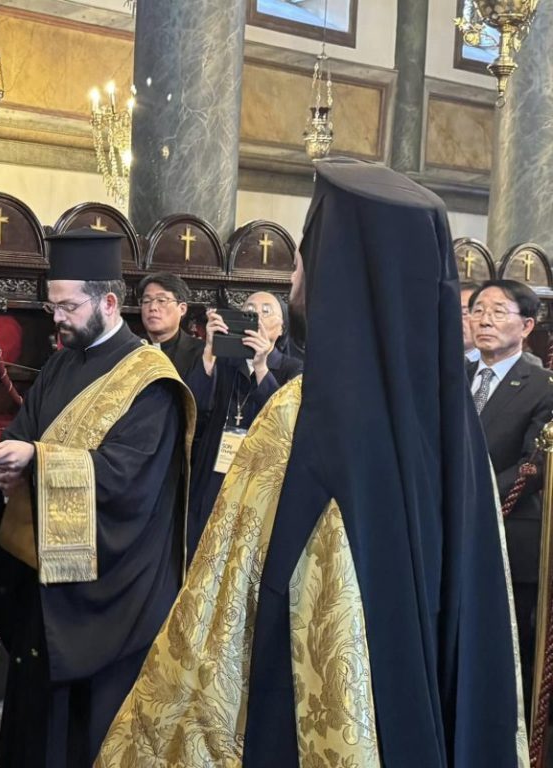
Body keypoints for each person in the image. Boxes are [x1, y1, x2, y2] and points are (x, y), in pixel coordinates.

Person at [99, 159, 527, 768]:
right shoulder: (454, 424)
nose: (294, 277)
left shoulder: (301, 417)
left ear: (337, 271)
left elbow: (216, 623)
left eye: (303, 256)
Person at [0, 229, 195, 768]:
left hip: (108, 599)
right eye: (52, 306)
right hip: (45, 578)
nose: (57, 318)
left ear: (109, 302)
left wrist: (38, 464)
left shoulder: (151, 383)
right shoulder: (61, 363)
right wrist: (15, 464)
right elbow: (22, 432)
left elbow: (126, 477)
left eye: (69, 306)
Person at [467, 278, 553, 714]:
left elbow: (534, 466)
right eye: (478, 309)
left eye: (499, 311)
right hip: (448, 531)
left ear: (526, 326)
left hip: (508, 534)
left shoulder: (542, 385)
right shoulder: (452, 376)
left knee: (506, 651)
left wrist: (471, 494)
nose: (485, 319)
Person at [185, 290, 302, 562]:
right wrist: (210, 350)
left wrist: (261, 367)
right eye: (248, 308)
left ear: (281, 326)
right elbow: (195, 405)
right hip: (216, 473)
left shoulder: (292, 369)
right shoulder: (222, 362)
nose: (255, 315)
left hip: (260, 478)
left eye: (265, 310)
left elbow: (285, 422)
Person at [137, 272, 203, 378]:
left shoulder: (201, 353)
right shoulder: (130, 349)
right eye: (146, 301)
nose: (152, 307)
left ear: (182, 309)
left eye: (162, 300)